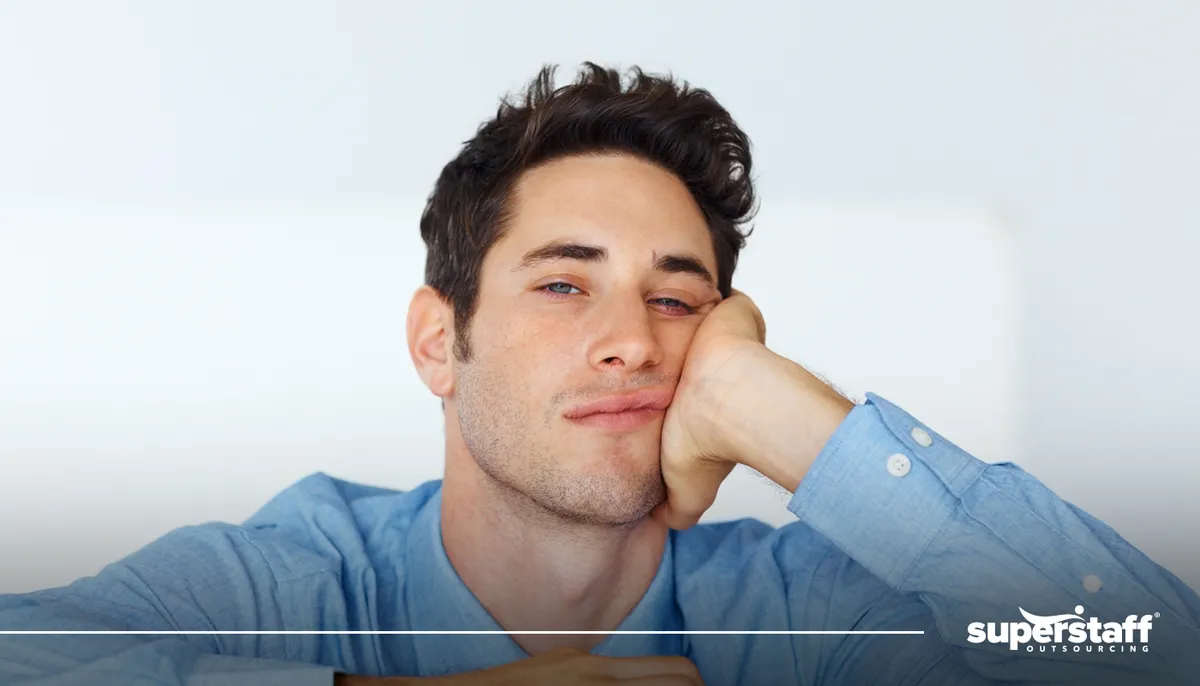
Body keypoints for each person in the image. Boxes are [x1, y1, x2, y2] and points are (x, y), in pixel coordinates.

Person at [1, 63, 1196, 686]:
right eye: (566, 284)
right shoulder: (292, 582)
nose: (634, 339)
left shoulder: (803, 616)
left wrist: (788, 420)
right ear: (438, 341)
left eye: (675, 299)